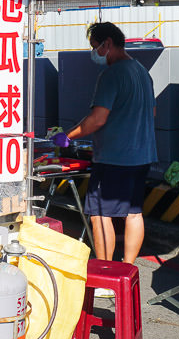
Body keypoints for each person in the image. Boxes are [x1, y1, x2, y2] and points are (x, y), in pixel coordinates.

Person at [52, 22, 156, 266]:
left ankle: (107, 275)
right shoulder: (141, 71)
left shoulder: (112, 74)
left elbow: (98, 119)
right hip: (142, 155)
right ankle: (127, 269)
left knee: (100, 215)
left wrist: (68, 136)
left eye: (95, 47)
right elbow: (151, 112)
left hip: (115, 158)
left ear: (107, 44)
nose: (94, 53)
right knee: (133, 213)